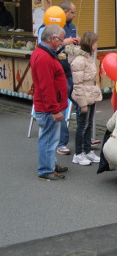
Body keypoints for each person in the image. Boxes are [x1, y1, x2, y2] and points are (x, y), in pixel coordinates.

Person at [38, 1, 81, 155]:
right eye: (72, 12)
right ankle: (61, 143)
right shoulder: (46, 29)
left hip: (70, 70)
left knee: (81, 102)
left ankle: (83, 138)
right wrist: (65, 42)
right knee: (61, 107)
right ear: (63, 12)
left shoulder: (71, 26)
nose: (74, 15)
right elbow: (48, 47)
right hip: (58, 73)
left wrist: (77, 43)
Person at [30, 25, 68, 181]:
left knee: (51, 137)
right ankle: (46, 169)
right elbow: (47, 87)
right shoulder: (44, 57)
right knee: (48, 138)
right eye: (60, 39)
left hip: (49, 105)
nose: (61, 43)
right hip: (48, 108)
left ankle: (50, 164)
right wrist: (54, 110)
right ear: (52, 39)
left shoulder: (44, 54)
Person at [67, 31, 103, 166]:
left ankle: (88, 151)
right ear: (90, 44)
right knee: (82, 125)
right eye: (95, 42)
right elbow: (77, 84)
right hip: (83, 95)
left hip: (91, 94)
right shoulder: (79, 60)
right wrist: (82, 104)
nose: (97, 45)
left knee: (89, 124)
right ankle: (78, 153)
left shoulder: (88, 57)